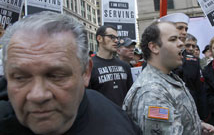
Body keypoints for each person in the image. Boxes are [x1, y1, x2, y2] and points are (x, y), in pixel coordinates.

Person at [0, 11, 140, 135]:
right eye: (20, 77)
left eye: (56, 76)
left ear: (85, 72)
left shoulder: (119, 124)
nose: (38, 96)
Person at [123, 20, 214, 134]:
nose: (181, 43)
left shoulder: (168, 77)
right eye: (173, 39)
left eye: (179, 38)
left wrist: (196, 125)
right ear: (154, 47)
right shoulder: (152, 94)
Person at [159, 13, 209, 120]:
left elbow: (200, 91)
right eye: (180, 28)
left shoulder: (193, 61)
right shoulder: (157, 59)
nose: (184, 32)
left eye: (186, 28)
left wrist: (203, 118)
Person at [89, 26, 133, 107]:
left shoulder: (125, 66)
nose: (116, 40)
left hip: (123, 117)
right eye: (111, 37)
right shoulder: (89, 66)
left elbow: (130, 96)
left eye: (117, 38)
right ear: (99, 38)